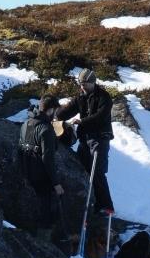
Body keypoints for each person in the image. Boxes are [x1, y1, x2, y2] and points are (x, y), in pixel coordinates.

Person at [56, 68, 115, 215]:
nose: (83, 87)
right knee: (82, 169)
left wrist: (81, 121)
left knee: (97, 172)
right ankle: (91, 201)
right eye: (81, 84)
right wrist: (55, 113)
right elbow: (67, 111)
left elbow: (100, 117)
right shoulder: (80, 97)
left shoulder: (104, 97)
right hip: (85, 140)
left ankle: (106, 206)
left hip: (100, 139)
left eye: (85, 84)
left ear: (93, 82)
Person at [19, 95, 64, 241]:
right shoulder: (46, 129)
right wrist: (56, 184)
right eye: (55, 111)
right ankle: (43, 246)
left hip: (27, 175)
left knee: (32, 211)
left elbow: (19, 150)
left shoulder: (26, 124)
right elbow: (48, 159)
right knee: (47, 214)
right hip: (43, 179)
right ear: (51, 110)